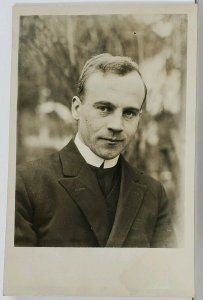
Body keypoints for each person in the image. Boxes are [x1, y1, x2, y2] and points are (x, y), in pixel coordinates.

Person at [15, 53, 176, 247]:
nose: (117, 125)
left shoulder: (154, 195)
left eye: (129, 113)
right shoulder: (27, 184)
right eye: (105, 109)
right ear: (76, 108)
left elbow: (166, 274)